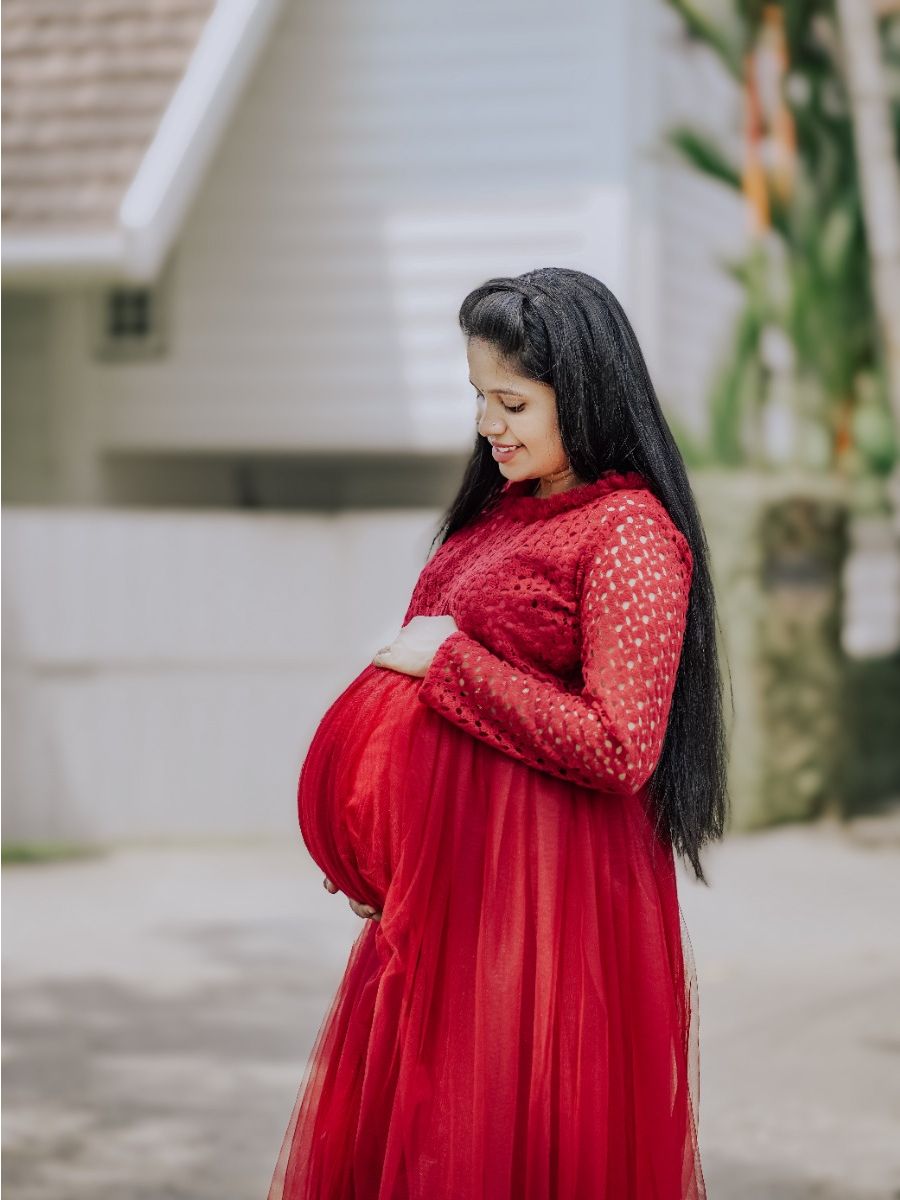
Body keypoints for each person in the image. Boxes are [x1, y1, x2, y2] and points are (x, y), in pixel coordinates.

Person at [266, 267, 729, 1199]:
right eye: (479, 397)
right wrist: (379, 853)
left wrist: (448, 662)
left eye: (512, 401)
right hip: (442, 907)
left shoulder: (628, 535)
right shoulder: (499, 516)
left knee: (496, 1154)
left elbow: (619, 747)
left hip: (544, 915)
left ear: (585, 394)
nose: (489, 424)